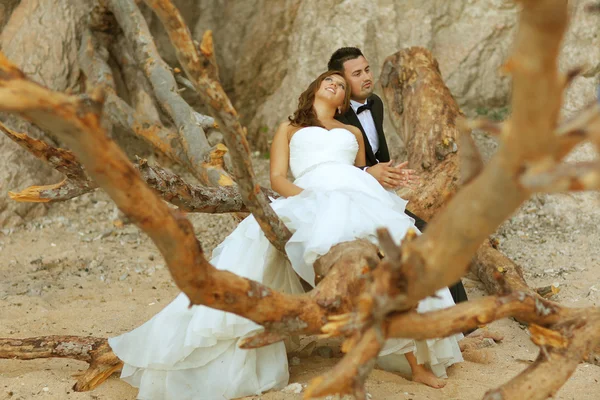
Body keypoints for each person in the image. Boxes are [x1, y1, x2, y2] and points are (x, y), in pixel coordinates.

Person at [108, 71, 463, 400]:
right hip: (307, 192)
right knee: (251, 255)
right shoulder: (290, 128)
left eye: (341, 86)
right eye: (330, 80)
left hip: (357, 192)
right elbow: (278, 177)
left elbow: (359, 172)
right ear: (314, 90)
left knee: (404, 247)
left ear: (342, 102)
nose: (336, 86)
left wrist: (376, 174)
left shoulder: (351, 133)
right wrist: (308, 199)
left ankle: (417, 364)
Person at [328, 47, 469, 305]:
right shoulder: (331, 115)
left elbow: (377, 158)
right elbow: (328, 166)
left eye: (367, 70)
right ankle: (456, 321)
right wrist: (368, 173)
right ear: (340, 80)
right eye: (357, 73)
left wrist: (391, 175)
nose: (366, 77)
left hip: (380, 197)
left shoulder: (377, 105)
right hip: (348, 203)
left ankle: (462, 321)